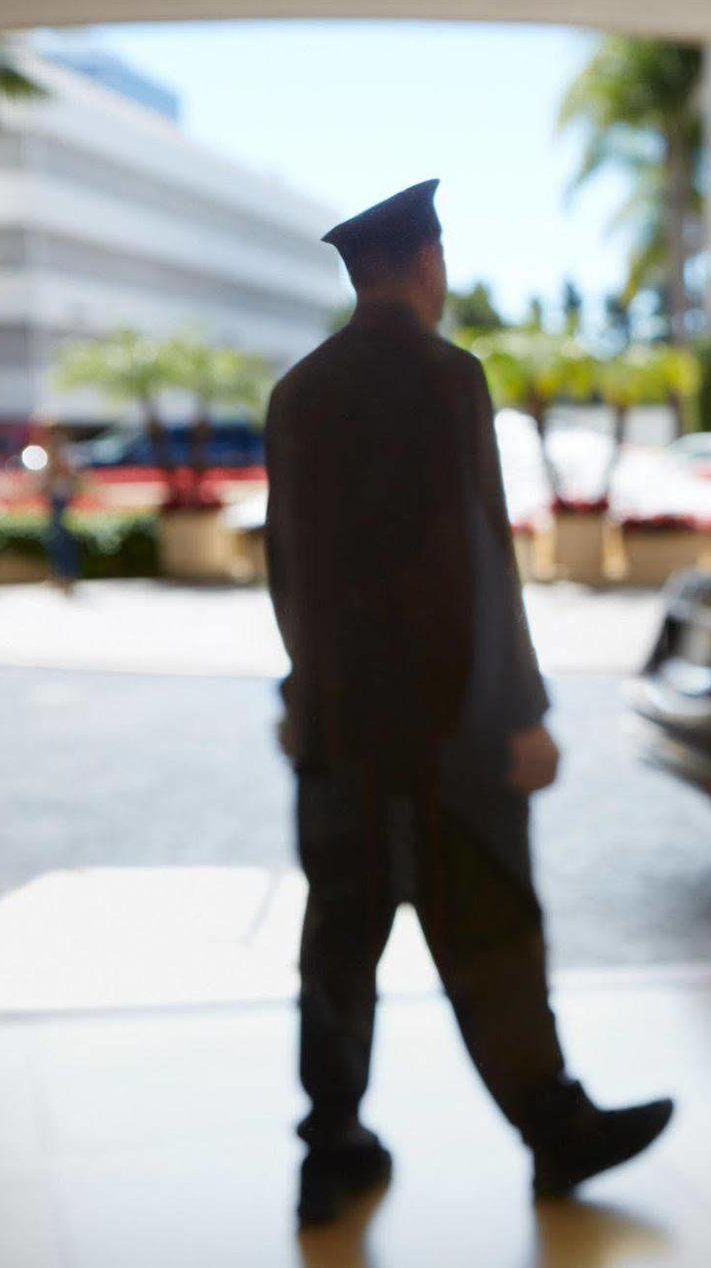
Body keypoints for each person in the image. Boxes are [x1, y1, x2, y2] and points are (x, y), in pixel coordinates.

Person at [263, 179, 672, 1229]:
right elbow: (479, 560)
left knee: (338, 946)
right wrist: (523, 710)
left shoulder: (297, 394)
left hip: (340, 734)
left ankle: (330, 1147)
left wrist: (306, 697)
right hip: (448, 731)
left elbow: (289, 572)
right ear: (425, 263)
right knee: (490, 931)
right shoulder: (448, 379)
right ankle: (554, 1128)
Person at [39, 436, 82, 594]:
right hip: (54, 501)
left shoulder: (66, 453)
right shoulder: (48, 453)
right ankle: (58, 575)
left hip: (63, 501)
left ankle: (68, 575)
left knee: (64, 539)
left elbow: (72, 476)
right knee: (54, 539)